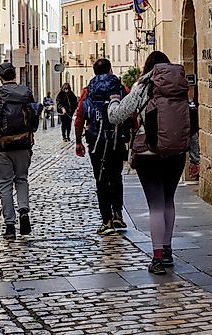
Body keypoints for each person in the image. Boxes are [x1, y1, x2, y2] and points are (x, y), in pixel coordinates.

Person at [108, 51, 200, 275]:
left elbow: (117, 116)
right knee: (168, 201)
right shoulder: (179, 89)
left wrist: (113, 101)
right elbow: (191, 124)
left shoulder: (144, 86)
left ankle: (157, 257)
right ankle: (167, 251)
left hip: (148, 152)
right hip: (176, 152)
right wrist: (196, 157)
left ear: (149, 66)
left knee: (155, 205)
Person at [75, 59, 130, 236]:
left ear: (94, 71)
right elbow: (132, 111)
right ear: (111, 69)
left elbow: (79, 117)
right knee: (116, 176)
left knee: (101, 179)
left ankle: (106, 221)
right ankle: (118, 214)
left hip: (96, 141)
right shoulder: (121, 89)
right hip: (117, 139)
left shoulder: (88, 91)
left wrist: (78, 141)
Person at [0, 62, 40, 239]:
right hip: (24, 144)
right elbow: (34, 119)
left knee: (4, 185)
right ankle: (24, 211)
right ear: (15, 75)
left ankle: (10, 225)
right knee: (22, 179)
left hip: (3, 145)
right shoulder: (26, 93)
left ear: (0, 77)